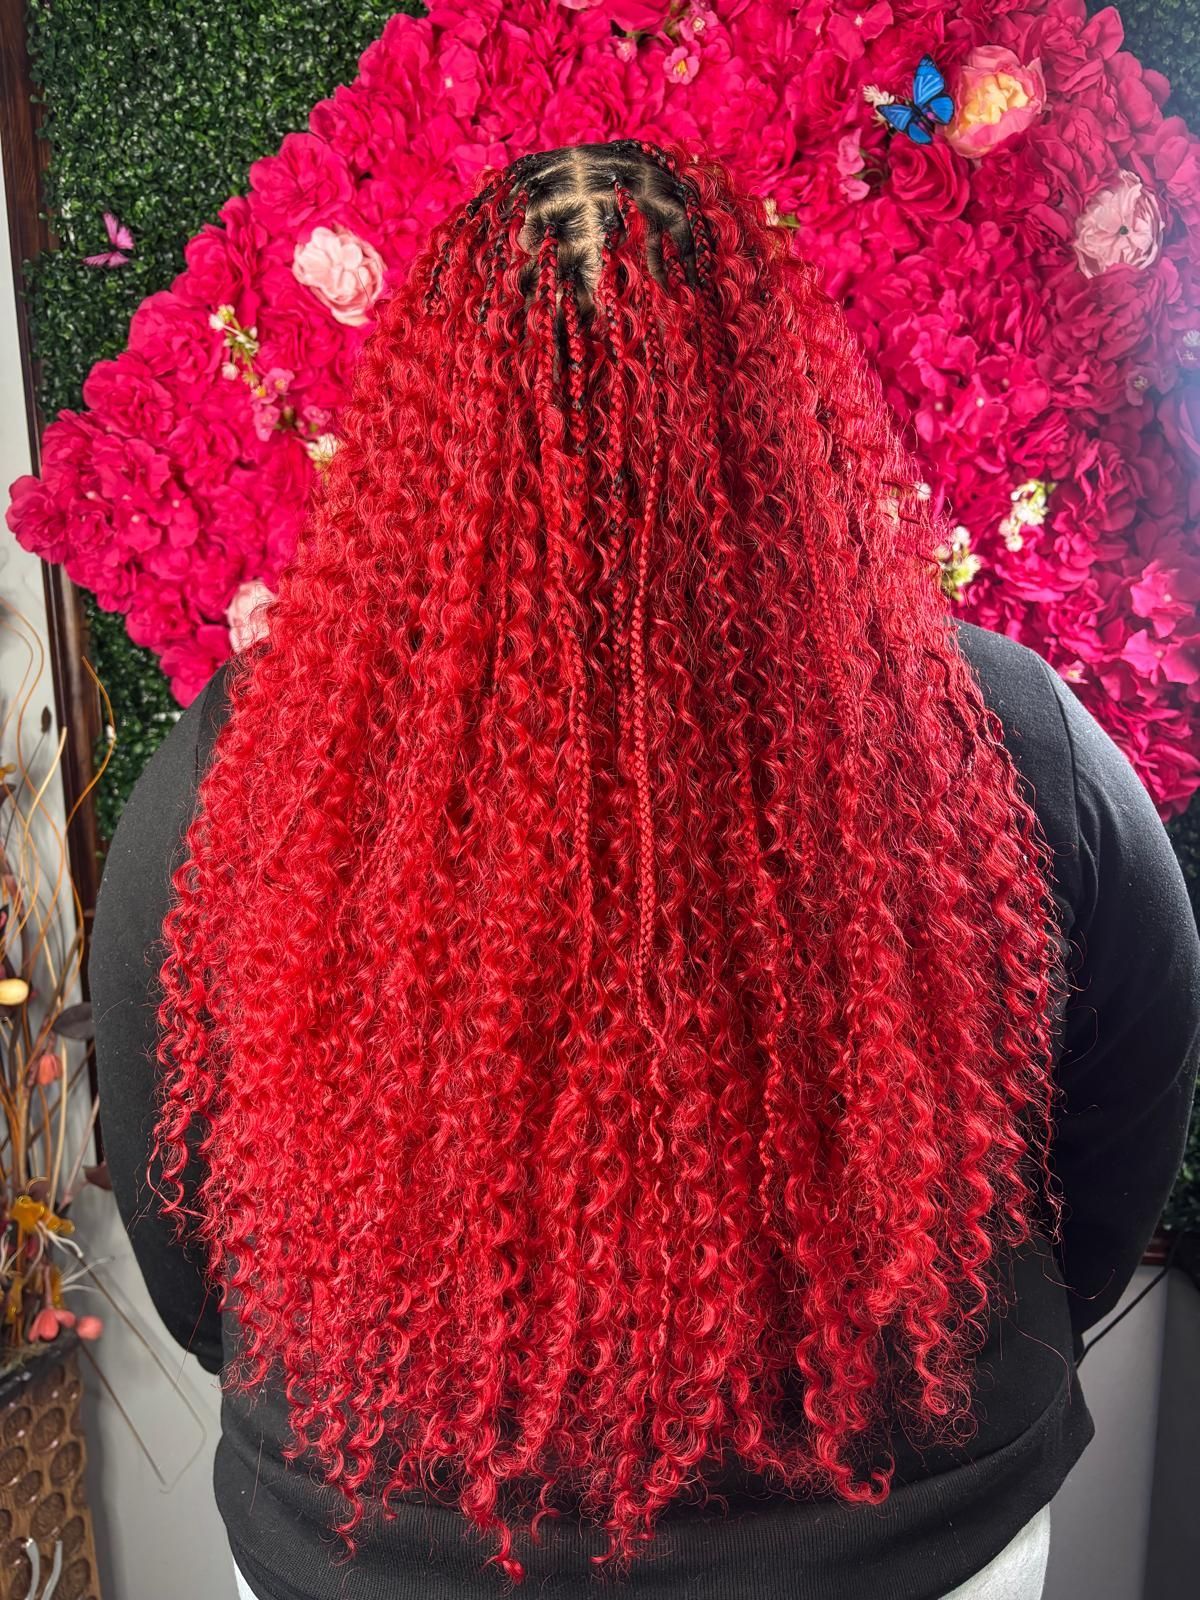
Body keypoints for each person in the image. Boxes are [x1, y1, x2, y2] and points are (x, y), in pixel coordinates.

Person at [89, 140, 1200, 1600]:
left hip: (381, 1547)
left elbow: (180, 1219)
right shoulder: (1002, 732)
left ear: (432, 430)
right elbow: (1115, 1147)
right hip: (906, 1543)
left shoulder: (256, 763)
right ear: (773, 400)